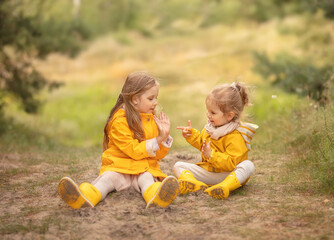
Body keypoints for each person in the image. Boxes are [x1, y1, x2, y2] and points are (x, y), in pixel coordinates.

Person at [58, 71, 179, 209]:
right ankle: (85, 196)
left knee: (147, 179)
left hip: (143, 169)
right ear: (135, 99)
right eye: (151, 98)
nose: (155, 103)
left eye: (156, 98)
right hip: (119, 168)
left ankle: (156, 195)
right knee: (106, 179)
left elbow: (155, 156)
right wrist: (157, 139)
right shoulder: (119, 122)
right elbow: (133, 150)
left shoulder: (151, 120)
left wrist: (163, 138)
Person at [174, 82, 258, 200]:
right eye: (208, 111)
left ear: (229, 116)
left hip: (229, 175)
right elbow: (202, 143)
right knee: (178, 166)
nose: (208, 115)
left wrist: (211, 155)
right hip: (210, 173)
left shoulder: (236, 135)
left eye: (213, 112)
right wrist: (191, 135)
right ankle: (196, 185)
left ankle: (224, 187)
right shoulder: (210, 129)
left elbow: (231, 163)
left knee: (248, 165)